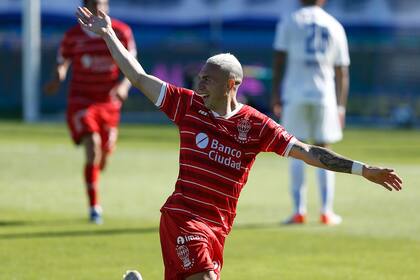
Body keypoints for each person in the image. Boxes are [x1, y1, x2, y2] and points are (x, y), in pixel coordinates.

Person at [76, 6, 402, 280]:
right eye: (200, 76)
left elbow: (308, 152)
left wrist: (363, 170)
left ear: (231, 85)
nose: (199, 82)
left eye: (208, 78)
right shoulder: (187, 106)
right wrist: (109, 35)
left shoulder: (255, 125)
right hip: (182, 217)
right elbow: (138, 77)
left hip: (218, 228)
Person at [44, 0, 137, 224]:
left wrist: (124, 86)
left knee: (103, 154)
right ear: (85, 6)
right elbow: (62, 59)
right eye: (95, 4)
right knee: (92, 146)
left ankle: (101, 158)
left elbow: (131, 63)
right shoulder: (73, 36)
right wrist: (59, 75)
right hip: (82, 101)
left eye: (103, 4)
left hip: (109, 103)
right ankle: (94, 207)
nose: (100, 9)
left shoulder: (121, 32)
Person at [271, 0, 350, 225]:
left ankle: (299, 210)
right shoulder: (334, 24)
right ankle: (326, 211)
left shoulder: (289, 20)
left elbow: (279, 60)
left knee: (296, 149)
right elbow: (342, 71)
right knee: (325, 148)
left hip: (294, 95)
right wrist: (341, 106)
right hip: (324, 96)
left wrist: (275, 93)